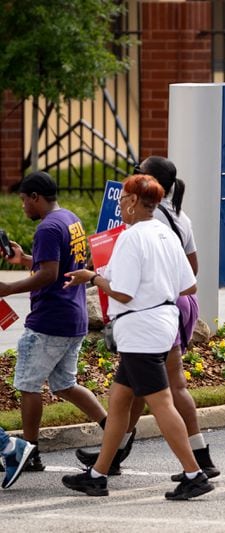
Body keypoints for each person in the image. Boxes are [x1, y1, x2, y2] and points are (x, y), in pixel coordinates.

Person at [61, 174, 213, 500]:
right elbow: (189, 286)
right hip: (159, 324)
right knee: (119, 400)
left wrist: (92, 278)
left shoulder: (131, 238)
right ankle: (98, 474)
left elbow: (124, 293)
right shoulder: (166, 234)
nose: (119, 205)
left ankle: (194, 473)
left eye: (122, 199)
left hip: (140, 328)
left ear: (132, 201)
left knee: (161, 403)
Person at [0, 171, 108, 471]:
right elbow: (63, 264)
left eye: (24, 200)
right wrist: (24, 260)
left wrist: (8, 288)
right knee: (64, 385)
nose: (23, 206)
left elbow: (48, 274)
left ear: (36, 197)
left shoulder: (47, 228)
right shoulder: (69, 218)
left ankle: (29, 453)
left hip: (50, 319)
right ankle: (115, 432)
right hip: (73, 317)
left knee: (28, 385)